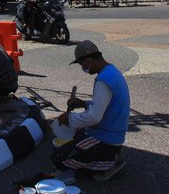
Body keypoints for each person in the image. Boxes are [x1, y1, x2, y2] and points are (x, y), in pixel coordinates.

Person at [53, 41, 130, 178]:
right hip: (112, 133)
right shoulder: (112, 72)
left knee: (59, 159)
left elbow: (94, 117)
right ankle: (108, 156)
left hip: (107, 138)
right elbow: (107, 106)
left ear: (88, 61)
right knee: (77, 133)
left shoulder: (103, 81)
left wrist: (68, 118)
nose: (83, 68)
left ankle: (109, 162)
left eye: (82, 64)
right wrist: (83, 103)